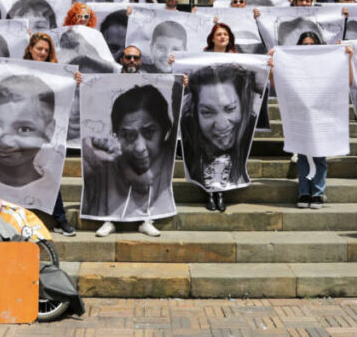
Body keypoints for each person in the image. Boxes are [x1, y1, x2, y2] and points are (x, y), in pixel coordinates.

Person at [87, 84, 173, 238]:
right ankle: (110, 220)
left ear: (166, 130)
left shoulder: (167, 155)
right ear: (116, 135)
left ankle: (146, 220)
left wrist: (184, 85)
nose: (140, 148)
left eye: (149, 132)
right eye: (128, 135)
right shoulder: (106, 161)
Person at [20, 32, 80, 236]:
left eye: (46, 50)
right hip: (19, 130)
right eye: (39, 49)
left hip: (44, 132)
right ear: (30, 49)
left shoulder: (56, 73)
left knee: (48, 173)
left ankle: (60, 219)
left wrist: (74, 81)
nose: (43, 53)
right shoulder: (16, 69)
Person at [180, 63, 258, 212]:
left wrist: (271, 66)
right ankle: (211, 193)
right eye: (207, 112)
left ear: (243, 105)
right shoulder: (189, 129)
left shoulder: (249, 123)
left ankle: (220, 194)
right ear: (195, 112)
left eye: (230, 109)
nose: (221, 125)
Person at [294, 32, 328, 209]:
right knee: (302, 154)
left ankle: (318, 192)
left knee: (319, 154)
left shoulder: (325, 64)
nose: (308, 47)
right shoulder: (293, 65)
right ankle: (304, 191)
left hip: (320, 111)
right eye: (304, 44)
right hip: (301, 111)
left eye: (311, 44)